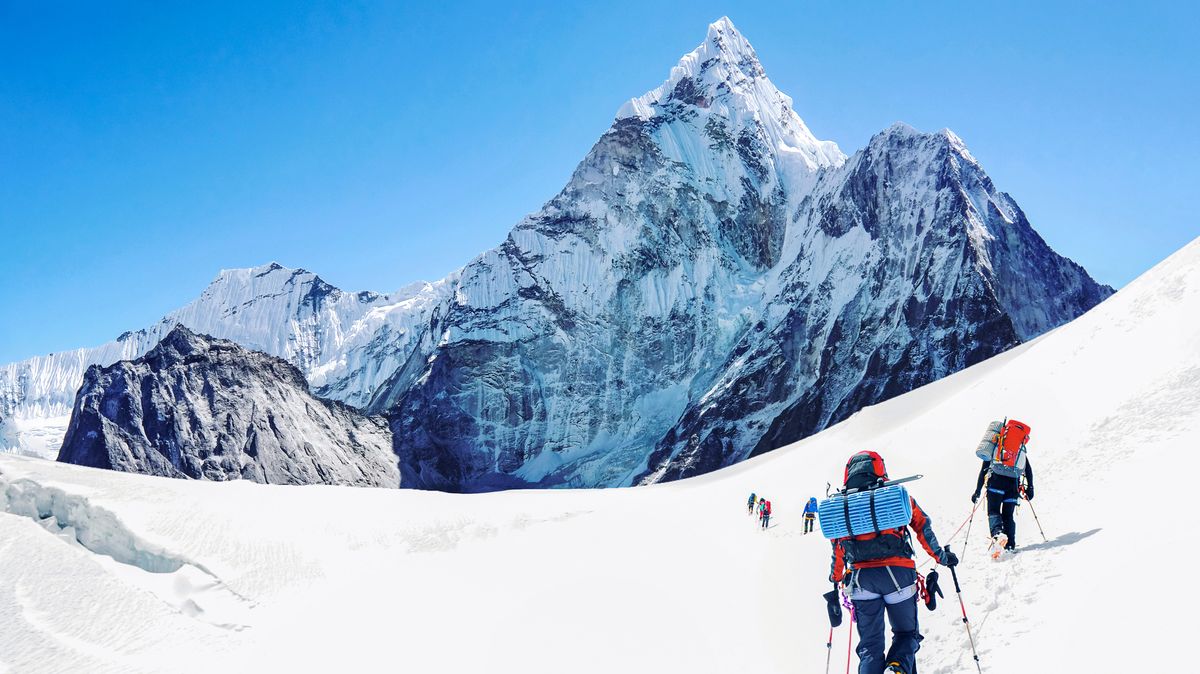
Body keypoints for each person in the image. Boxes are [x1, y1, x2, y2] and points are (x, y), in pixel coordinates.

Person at [828, 451, 958, 674]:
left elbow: (838, 547)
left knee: (870, 646)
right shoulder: (895, 497)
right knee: (907, 634)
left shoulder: (843, 507)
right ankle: (897, 668)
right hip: (898, 574)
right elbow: (922, 527)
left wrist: (836, 578)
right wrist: (942, 558)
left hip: (861, 581)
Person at [972, 453, 1034, 552]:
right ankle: (1009, 545)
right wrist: (1030, 488)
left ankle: (998, 534)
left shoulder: (995, 447)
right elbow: (1028, 469)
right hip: (1013, 486)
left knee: (993, 511)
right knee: (1008, 516)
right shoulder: (1018, 449)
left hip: (995, 484)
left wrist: (977, 491)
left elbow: (984, 468)